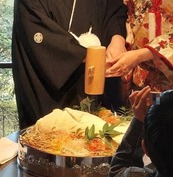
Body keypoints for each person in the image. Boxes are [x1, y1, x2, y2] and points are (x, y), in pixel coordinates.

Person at [105, 0, 173, 145]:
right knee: (146, 134)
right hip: (144, 68)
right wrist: (120, 42)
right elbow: (131, 15)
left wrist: (141, 55)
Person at [12, 0, 128, 130]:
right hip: (52, 85)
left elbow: (114, 10)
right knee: (52, 137)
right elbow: (36, 29)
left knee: (102, 134)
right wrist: (87, 55)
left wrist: (117, 38)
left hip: (101, 79)